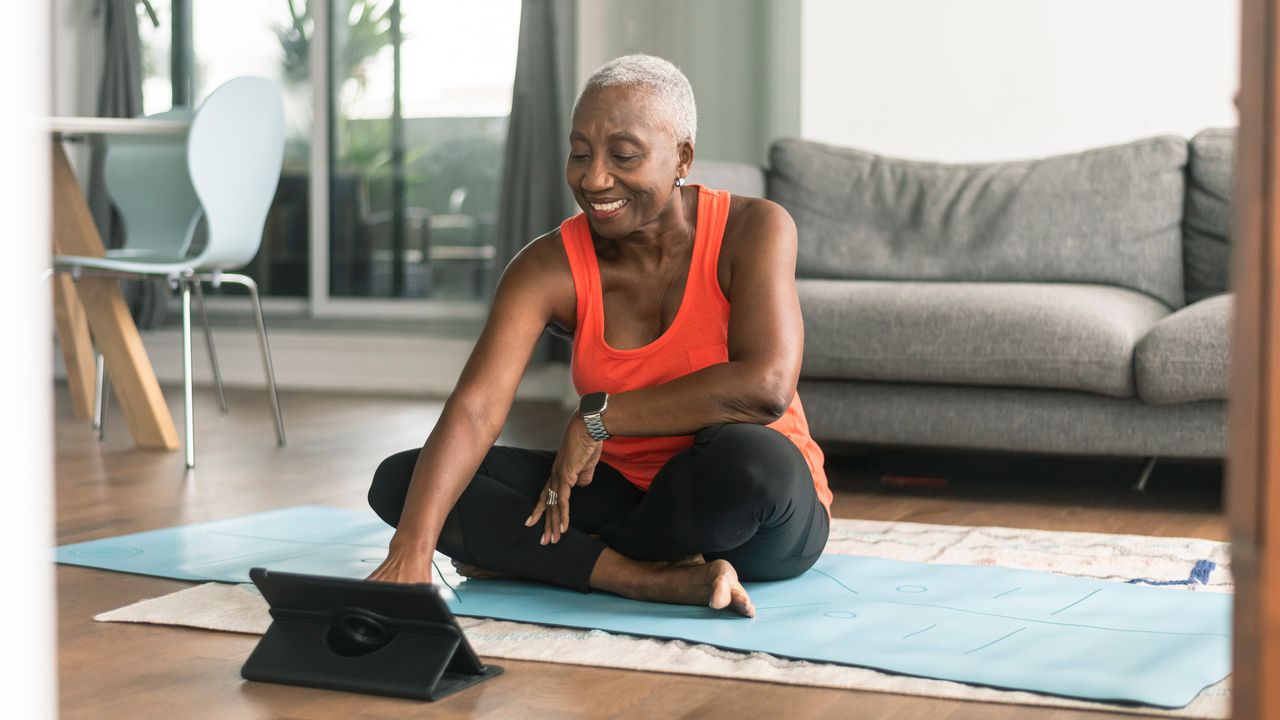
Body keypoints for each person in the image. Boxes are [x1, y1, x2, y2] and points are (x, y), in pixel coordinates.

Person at [367, 54, 832, 617]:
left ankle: (554, 559)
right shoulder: (547, 266)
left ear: (682, 156)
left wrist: (600, 417)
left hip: (747, 513)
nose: (593, 179)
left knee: (749, 458)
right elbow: (476, 408)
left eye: (624, 156)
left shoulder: (754, 227)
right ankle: (642, 578)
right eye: (580, 154)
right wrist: (411, 550)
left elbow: (766, 386)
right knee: (406, 483)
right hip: (620, 492)